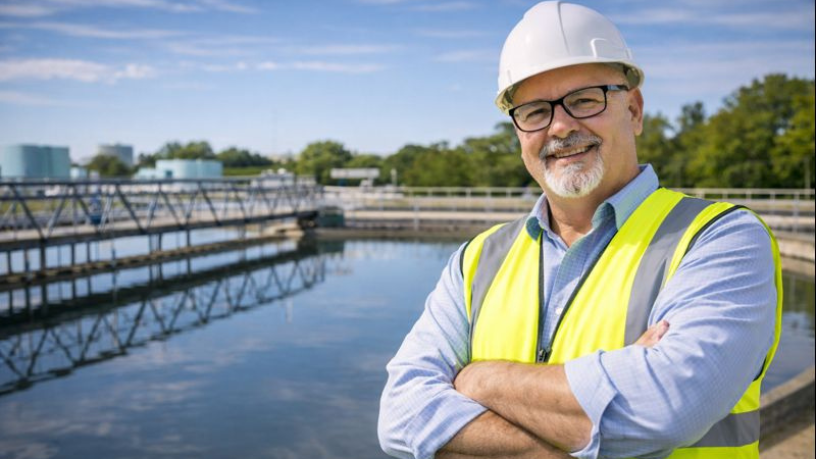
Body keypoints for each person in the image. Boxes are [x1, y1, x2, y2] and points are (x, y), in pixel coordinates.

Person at [377, 2, 782, 459]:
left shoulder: (718, 238)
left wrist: (479, 380)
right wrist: (576, 420)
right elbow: (400, 415)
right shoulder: (477, 260)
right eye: (533, 111)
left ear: (633, 109)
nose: (562, 125)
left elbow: (667, 409)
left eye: (585, 99)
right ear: (518, 131)